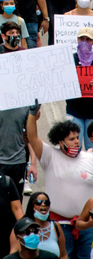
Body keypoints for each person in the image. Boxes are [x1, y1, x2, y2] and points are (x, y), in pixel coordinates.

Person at [27, 108, 93, 258]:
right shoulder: (50, 156)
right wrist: (32, 114)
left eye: (77, 137)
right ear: (60, 142)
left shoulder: (90, 159)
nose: (77, 141)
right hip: (60, 225)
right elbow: (32, 136)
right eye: (71, 139)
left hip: (88, 227)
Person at [7, 192, 68, 258]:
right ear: (32, 205)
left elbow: (63, 255)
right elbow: (14, 254)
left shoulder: (56, 226)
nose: (43, 204)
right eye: (39, 202)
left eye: (46, 202)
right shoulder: (20, 227)